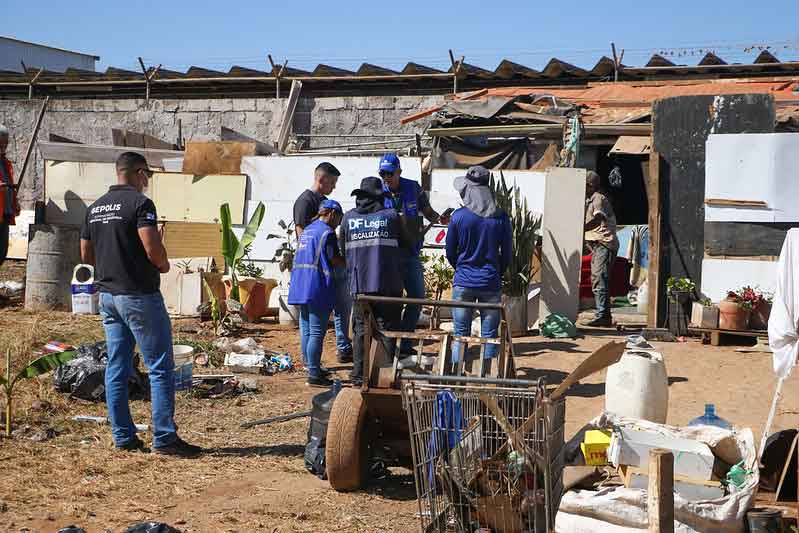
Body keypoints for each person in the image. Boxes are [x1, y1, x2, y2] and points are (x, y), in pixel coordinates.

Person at [80, 152, 200, 456]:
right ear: (139, 173)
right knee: (160, 366)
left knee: (117, 367)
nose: (147, 182)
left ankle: (123, 437)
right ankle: (164, 438)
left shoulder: (94, 208)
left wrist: (113, 266)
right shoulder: (140, 204)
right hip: (139, 296)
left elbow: (85, 254)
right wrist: (161, 265)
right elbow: (151, 246)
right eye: (147, 176)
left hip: (108, 298)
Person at [378, 153, 449, 354]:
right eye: (383, 173)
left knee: (417, 297)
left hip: (410, 253)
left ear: (399, 172)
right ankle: (390, 346)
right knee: (392, 300)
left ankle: (405, 342)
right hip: (388, 257)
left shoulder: (413, 188)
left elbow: (427, 210)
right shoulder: (377, 190)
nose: (386, 177)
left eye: (390, 173)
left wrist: (439, 218)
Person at [340, 177, 406, 386]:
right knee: (386, 330)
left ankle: (359, 377)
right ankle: (384, 377)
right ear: (380, 197)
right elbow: (404, 245)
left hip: (359, 287)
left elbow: (343, 251)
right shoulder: (390, 216)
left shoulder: (348, 219)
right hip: (387, 286)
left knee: (360, 331)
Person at [446, 166, 512, 370]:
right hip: (490, 283)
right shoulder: (501, 218)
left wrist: (462, 269)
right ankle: (487, 378)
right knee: (489, 335)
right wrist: (495, 273)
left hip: (463, 282)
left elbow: (450, 251)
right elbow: (507, 254)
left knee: (460, 333)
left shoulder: (458, 217)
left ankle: (457, 379)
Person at [292, 162, 353, 364]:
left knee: (339, 309)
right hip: (316, 271)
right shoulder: (305, 201)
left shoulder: (325, 203)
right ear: (322, 178)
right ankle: (311, 366)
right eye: (332, 182)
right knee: (313, 326)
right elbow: (303, 238)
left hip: (319, 268)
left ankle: (328, 355)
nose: (333, 187)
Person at [288, 199, 344, 387]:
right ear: (332, 214)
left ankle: (311, 366)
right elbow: (334, 260)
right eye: (339, 219)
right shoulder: (327, 233)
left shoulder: (308, 230)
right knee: (317, 332)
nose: (338, 223)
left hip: (300, 284)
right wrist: (352, 262)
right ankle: (314, 374)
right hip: (316, 286)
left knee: (306, 328)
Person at [583, 170, 619, 327]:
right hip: (598, 245)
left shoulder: (598, 199)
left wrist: (581, 229)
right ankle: (604, 315)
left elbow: (599, 218)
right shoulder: (589, 199)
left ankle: (602, 316)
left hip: (604, 244)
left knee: (599, 279)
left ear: (590, 185)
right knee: (599, 279)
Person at [0, 125, 21, 269]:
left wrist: (15, 201)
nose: (3, 147)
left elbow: (9, 183)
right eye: (0, 144)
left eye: (5, 144)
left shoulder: (5, 163)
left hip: (4, 213)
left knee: (1, 252)